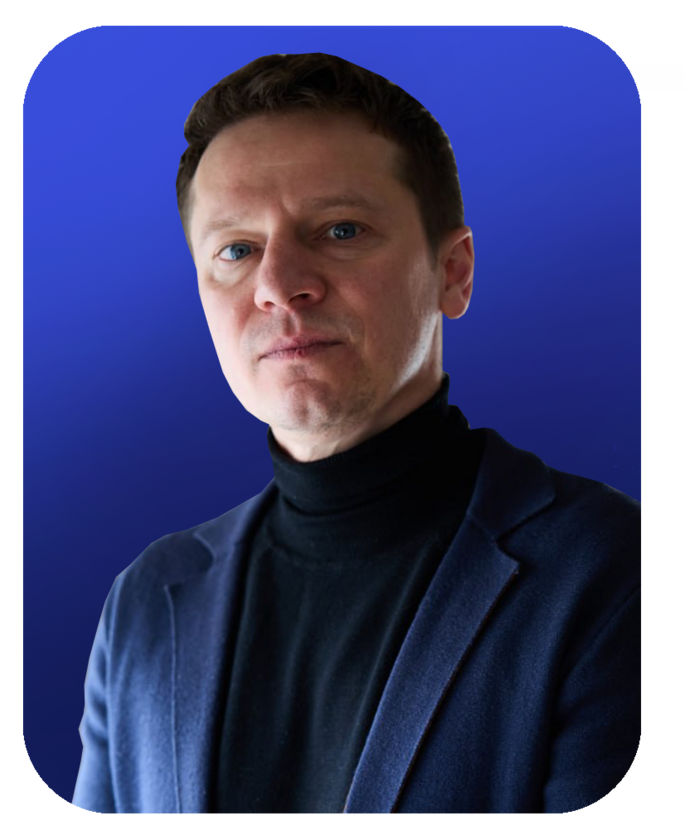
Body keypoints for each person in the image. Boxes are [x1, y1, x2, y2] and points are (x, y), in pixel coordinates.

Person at [72, 53, 641, 815]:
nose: (280, 285)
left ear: (454, 272)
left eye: (340, 229)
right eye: (236, 249)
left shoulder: (607, 576)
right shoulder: (145, 602)